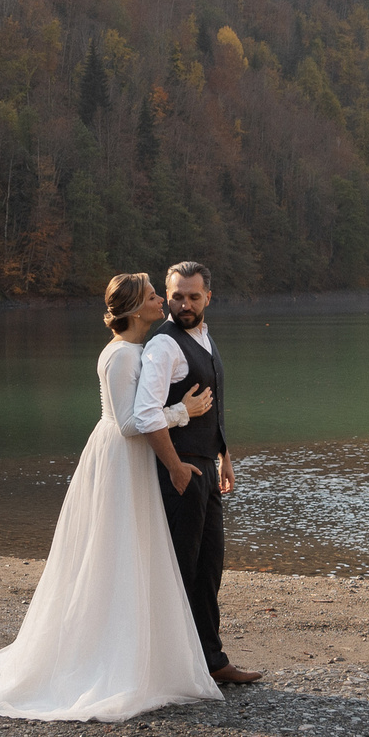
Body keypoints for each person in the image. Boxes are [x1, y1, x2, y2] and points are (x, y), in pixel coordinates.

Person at [0, 273, 223, 722]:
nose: (163, 300)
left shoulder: (140, 350)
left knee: (132, 553)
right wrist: (185, 411)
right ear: (137, 309)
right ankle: (108, 659)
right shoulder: (121, 356)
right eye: (156, 295)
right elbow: (127, 423)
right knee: (113, 551)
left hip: (135, 459)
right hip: (121, 458)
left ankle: (144, 649)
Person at [140, 260, 260, 684]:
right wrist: (174, 468)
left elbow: (214, 401)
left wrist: (224, 453)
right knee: (180, 571)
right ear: (167, 296)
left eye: (192, 296)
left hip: (206, 465)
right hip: (180, 472)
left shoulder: (204, 335)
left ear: (208, 296)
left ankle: (212, 661)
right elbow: (145, 415)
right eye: (176, 296)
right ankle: (171, 668)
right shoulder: (163, 346)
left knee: (209, 568)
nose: (184, 304)